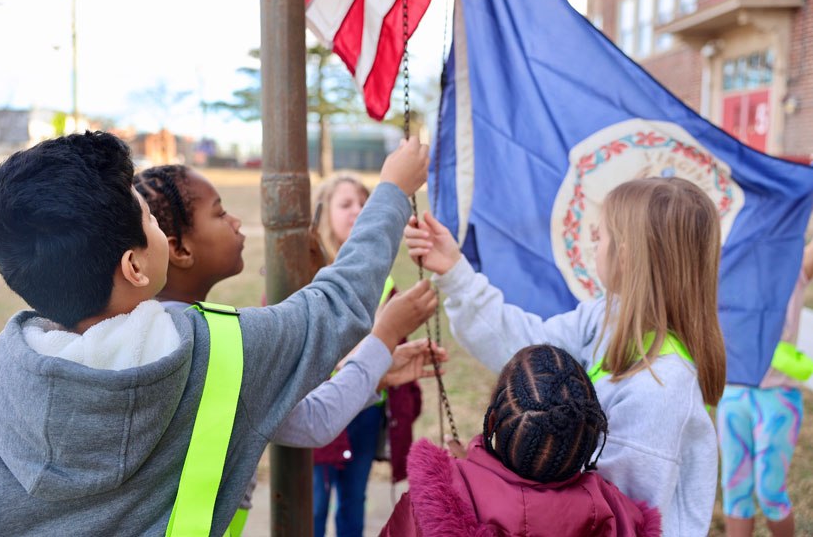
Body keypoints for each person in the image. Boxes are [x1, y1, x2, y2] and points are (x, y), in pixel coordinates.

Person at [0, 131, 429, 535]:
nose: (160, 232)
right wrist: (391, 190)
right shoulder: (219, 354)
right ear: (134, 265)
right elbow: (338, 304)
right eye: (148, 220)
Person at [404, 176, 727, 537]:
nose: (593, 240)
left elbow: (605, 514)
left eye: (601, 235)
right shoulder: (606, 316)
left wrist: (484, 475)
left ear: (627, 255)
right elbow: (527, 351)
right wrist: (455, 272)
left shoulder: (661, 392)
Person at [133, 165, 446, 520]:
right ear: (181, 249)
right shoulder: (220, 345)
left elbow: (307, 414)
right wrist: (392, 189)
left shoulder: (141, 335)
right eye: (220, 212)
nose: (236, 220)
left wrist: (377, 372)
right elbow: (318, 413)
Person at [380, 344, 663, 537]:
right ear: (588, 440)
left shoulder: (433, 508)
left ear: (492, 422)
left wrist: (468, 473)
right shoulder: (617, 517)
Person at [310, 173, 424, 537]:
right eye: (346, 204)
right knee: (311, 502)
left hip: (367, 409)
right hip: (315, 407)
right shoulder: (301, 275)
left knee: (353, 502)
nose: (357, 211)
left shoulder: (385, 283)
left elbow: (395, 349)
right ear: (323, 213)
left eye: (363, 203)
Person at [717, 240, 813, 537]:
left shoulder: (790, 269)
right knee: (735, 492)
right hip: (733, 395)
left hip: (777, 399)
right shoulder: (723, 269)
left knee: (770, 493)